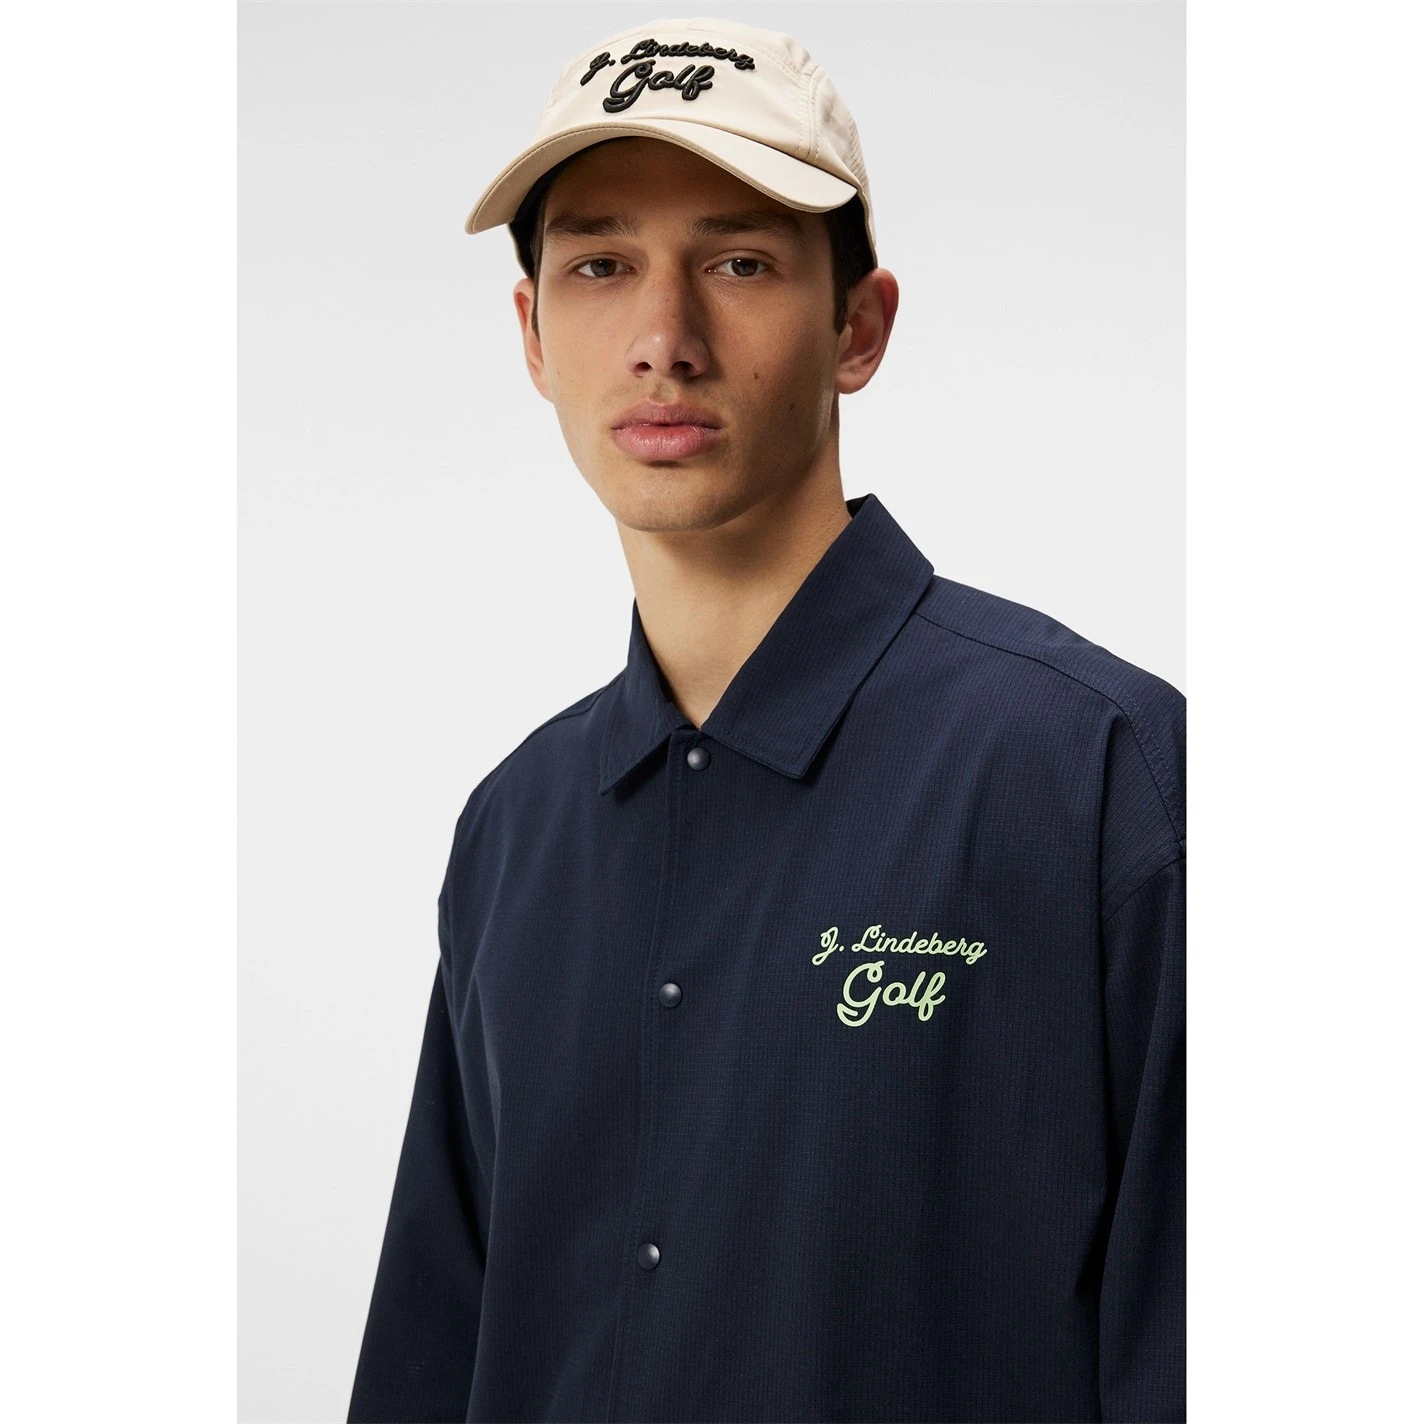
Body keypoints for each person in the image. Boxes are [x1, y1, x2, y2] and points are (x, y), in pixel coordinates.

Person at [348, 17, 1185, 1425]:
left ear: (859, 327)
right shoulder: (512, 831)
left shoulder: (1104, 775)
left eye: (738, 263)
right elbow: (432, 1356)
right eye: (601, 265)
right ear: (533, 335)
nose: (664, 341)